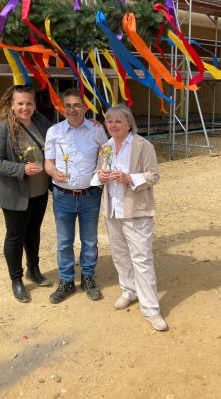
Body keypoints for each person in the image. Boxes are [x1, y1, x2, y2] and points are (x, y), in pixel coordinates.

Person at [93, 104, 167, 331]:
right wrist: (101, 175)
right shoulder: (105, 147)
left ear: (129, 124)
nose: (113, 125)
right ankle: (129, 290)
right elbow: (97, 174)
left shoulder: (143, 146)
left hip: (136, 210)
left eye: (117, 121)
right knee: (119, 254)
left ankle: (151, 309)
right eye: (109, 121)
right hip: (112, 210)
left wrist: (129, 178)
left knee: (141, 259)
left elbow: (154, 175)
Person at [0, 85, 53, 302]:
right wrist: (21, 169)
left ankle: (33, 269)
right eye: (20, 103)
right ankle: (16, 279)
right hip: (15, 192)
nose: (25, 107)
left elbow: (62, 136)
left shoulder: (42, 123)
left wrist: (90, 123)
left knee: (33, 231)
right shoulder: (1, 128)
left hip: (40, 190)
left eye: (29, 103)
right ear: (12, 105)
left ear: (34, 104)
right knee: (15, 236)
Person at [44, 88, 108, 303]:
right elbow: (48, 162)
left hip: (90, 195)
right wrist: (53, 173)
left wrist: (102, 171)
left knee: (89, 240)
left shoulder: (97, 130)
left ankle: (88, 277)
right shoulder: (54, 131)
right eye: (68, 105)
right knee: (64, 241)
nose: (72, 109)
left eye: (76, 105)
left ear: (85, 108)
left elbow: (107, 153)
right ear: (63, 108)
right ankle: (66, 281)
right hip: (63, 195)